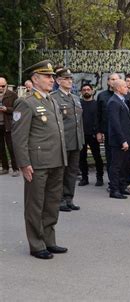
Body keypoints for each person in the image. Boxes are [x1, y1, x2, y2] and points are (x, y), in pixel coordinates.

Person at [11, 60, 68, 259]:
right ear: (35, 79)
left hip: (56, 160)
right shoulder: (26, 102)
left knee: (52, 204)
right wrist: (24, 164)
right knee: (36, 204)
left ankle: (49, 240)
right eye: (47, 76)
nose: (51, 79)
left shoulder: (51, 100)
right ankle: (36, 244)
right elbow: (18, 137)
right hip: (37, 163)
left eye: (52, 76)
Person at [51, 68, 85, 212]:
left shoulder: (75, 98)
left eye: (71, 79)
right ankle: (59, 200)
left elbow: (79, 122)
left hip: (76, 141)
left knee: (72, 172)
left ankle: (69, 198)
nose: (70, 81)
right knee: (61, 173)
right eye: (66, 78)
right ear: (58, 81)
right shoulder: (54, 98)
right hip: (63, 142)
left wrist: (81, 140)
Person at [107, 79, 130, 199]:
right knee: (116, 165)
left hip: (126, 138)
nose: (127, 88)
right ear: (118, 88)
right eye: (125, 86)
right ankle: (114, 190)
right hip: (119, 140)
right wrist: (122, 140)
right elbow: (115, 124)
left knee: (125, 165)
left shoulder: (123, 100)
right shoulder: (113, 102)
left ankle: (122, 187)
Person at [96, 73, 121, 186]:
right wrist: (98, 131)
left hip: (121, 133)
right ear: (108, 82)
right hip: (108, 132)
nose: (114, 81)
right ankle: (112, 182)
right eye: (112, 79)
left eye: (116, 79)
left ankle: (121, 181)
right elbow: (98, 115)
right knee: (110, 158)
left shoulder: (124, 95)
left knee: (122, 159)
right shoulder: (102, 96)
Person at [78, 83, 104, 186]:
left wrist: (99, 132)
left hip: (94, 134)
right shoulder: (79, 104)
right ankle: (84, 178)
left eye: (88, 89)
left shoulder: (97, 104)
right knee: (82, 157)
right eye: (84, 90)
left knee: (97, 157)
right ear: (81, 92)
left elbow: (99, 119)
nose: (86, 91)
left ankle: (100, 178)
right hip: (82, 134)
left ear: (92, 91)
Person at [0, 76, 20, 176]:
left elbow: (18, 110)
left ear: (6, 85)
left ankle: (16, 168)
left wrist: (6, 109)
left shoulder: (12, 95)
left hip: (8, 125)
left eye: (3, 86)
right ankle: (5, 167)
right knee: (1, 148)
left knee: (11, 147)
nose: (1, 88)